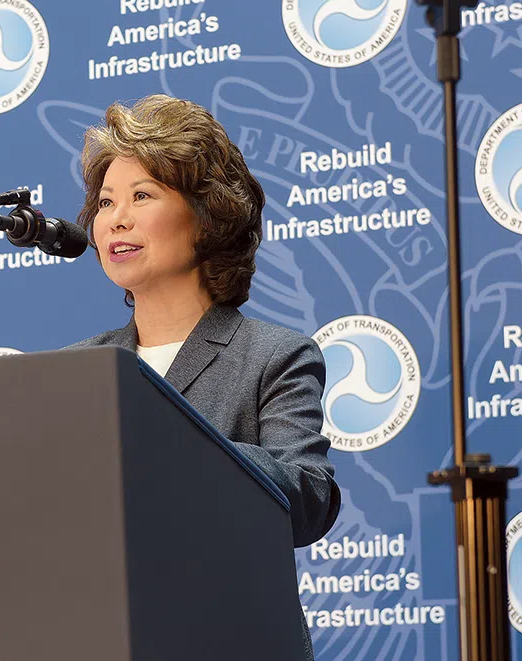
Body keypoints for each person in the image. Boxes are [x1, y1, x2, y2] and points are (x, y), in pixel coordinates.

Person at [69, 94, 341, 549]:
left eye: (141, 196)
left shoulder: (274, 357)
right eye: (105, 203)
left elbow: (307, 501)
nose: (116, 220)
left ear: (208, 215)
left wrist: (181, 450)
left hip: (225, 618)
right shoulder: (77, 367)